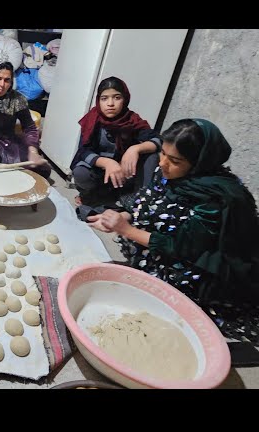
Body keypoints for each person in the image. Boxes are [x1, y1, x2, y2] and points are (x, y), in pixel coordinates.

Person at [88, 118, 259, 342]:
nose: (163, 164)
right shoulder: (172, 174)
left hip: (203, 267)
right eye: (163, 154)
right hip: (173, 245)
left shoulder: (217, 198)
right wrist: (123, 216)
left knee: (165, 305)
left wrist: (126, 230)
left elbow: (180, 247)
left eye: (175, 160)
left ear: (199, 161)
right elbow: (148, 202)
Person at [72, 76, 160, 208]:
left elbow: (158, 140)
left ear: (125, 99)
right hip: (99, 173)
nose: (110, 104)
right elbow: (84, 151)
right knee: (80, 173)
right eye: (104, 98)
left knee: (152, 157)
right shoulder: (92, 120)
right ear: (98, 100)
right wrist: (107, 163)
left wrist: (134, 149)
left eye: (117, 97)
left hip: (126, 173)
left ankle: (140, 199)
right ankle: (94, 193)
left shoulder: (131, 120)